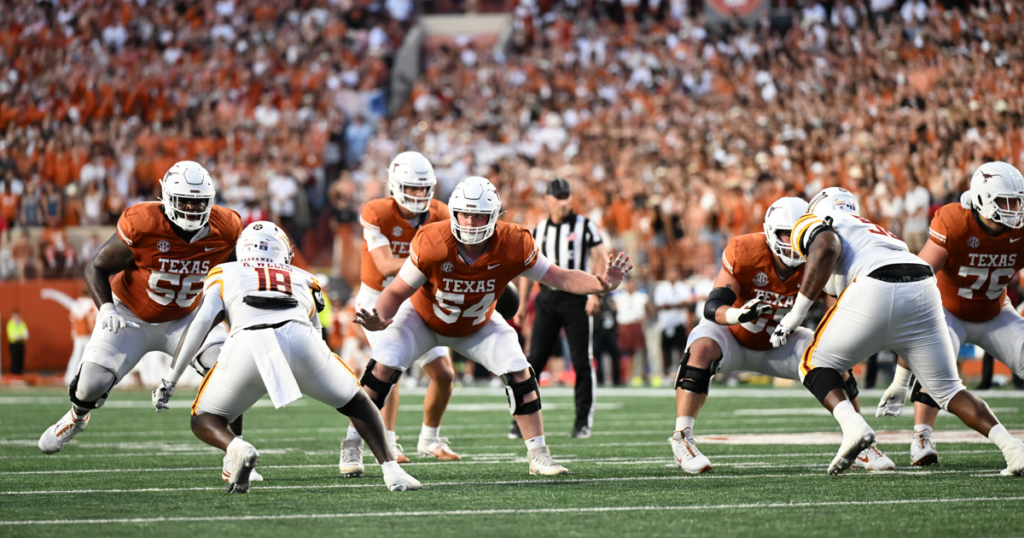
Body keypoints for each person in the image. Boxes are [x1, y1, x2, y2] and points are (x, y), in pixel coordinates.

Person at [355, 176, 632, 475]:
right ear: (454, 212)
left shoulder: (514, 241)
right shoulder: (432, 240)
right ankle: (351, 445)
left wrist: (600, 285)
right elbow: (397, 290)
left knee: (519, 369)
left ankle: (539, 454)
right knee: (381, 367)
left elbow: (560, 277)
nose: (472, 223)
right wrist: (380, 318)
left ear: (495, 216)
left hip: (477, 322)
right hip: (424, 318)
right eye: (465, 214)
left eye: (480, 216)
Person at [153, 221, 420, 493]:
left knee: (205, 418)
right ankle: (392, 471)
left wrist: (171, 379)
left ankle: (235, 447)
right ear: (283, 251)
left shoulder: (224, 271)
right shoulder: (304, 276)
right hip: (301, 339)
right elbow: (316, 331)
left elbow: (200, 325)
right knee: (358, 402)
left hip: (248, 341)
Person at [773, 187, 1024, 476]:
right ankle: (1012, 448)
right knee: (950, 390)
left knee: (812, 362)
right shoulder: (871, 229)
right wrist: (901, 383)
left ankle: (853, 426)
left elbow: (826, 246)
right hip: (923, 282)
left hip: (876, 283)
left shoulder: (819, 219)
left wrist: (796, 313)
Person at [36, 161, 250, 483]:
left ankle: (233, 454)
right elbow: (96, 267)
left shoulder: (227, 227)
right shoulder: (144, 222)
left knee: (231, 370)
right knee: (90, 385)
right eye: (185, 201)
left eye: (199, 202)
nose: (192, 208)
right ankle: (77, 418)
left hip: (186, 318)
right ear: (167, 198)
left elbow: (235, 276)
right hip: (131, 315)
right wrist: (106, 309)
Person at [671, 196, 893, 473]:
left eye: (797, 233)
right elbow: (713, 306)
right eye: (785, 234)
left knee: (835, 359)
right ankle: (682, 437)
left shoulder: (821, 255)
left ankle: (860, 441)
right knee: (701, 348)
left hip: (780, 342)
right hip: (733, 335)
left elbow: (839, 308)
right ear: (769, 232)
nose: (792, 241)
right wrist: (738, 315)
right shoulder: (745, 249)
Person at [877, 161, 1024, 466]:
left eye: (1018, 201)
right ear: (982, 200)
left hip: (995, 310)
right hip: (948, 310)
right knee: (938, 372)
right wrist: (902, 377)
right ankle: (921, 436)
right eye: (1005, 202)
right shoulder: (956, 222)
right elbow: (918, 280)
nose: (1014, 209)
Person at [339, 151, 460, 479]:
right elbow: (384, 265)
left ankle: (429, 439)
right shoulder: (376, 211)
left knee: (444, 373)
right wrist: (429, 260)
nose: (419, 195)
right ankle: (368, 442)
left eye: (424, 189)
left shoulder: (440, 212)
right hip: (379, 297)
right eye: (412, 188)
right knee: (387, 370)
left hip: (418, 298)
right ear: (394, 186)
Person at [515, 177, 608, 439]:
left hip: (577, 298)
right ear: (547, 199)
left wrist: (595, 293)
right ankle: (521, 417)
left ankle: (582, 422)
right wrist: (523, 303)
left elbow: (600, 257)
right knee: (534, 360)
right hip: (547, 298)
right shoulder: (539, 229)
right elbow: (526, 268)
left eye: (567, 196)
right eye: (559, 196)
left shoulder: (585, 225)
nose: (564, 201)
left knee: (581, 360)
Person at [39, 288, 97, 386]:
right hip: (88, 335)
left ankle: (70, 377)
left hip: (78, 336)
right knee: (91, 357)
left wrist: (73, 333)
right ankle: (91, 378)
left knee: (76, 357)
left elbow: (65, 302)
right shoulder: (91, 303)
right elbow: (93, 318)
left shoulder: (75, 304)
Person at [6, 310, 27, 374]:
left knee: (20, 361)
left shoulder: (22, 323)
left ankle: (20, 375)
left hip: (21, 345)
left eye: (18, 316)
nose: (17, 317)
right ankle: (14, 375)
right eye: (15, 316)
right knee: (15, 361)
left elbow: (26, 335)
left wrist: (20, 337)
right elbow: (13, 337)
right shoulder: (10, 324)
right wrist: (21, 337)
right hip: (14, 345)